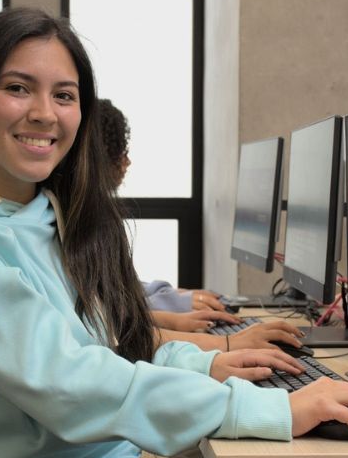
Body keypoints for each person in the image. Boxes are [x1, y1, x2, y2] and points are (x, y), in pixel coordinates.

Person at [0, 7, 348, 458]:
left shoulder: (47, 215)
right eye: (18, 88)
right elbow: (69, 382)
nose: (45, 113)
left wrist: (208, 366)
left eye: (64, 95)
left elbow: (106, 348)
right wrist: (269, 410)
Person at [95, 97, 307, 352]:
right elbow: (115, 320)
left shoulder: (96, 216)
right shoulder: (91, 223)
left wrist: (174, 304)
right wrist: (225, 343)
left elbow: (116, 298)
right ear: (102, 155)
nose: (127, 162)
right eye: (122, 151)